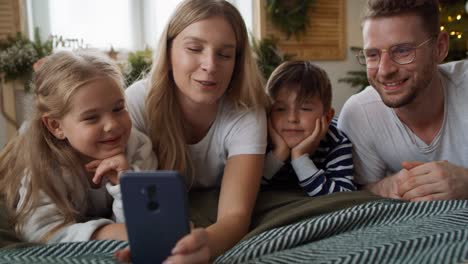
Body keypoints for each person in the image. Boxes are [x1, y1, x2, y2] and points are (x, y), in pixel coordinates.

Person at [121, 0, 269, 262]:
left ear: (237, 61)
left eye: (224, 54)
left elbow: (234, 216)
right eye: (194, 48)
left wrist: (206, 245)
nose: (210, 65)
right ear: (168, 51)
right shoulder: (136, 103)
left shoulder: (247, 112)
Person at [0, 50, 157, 243]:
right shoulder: (45, 163)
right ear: (56, 126)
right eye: (92, 118)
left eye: (118, 108)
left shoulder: (139, 147)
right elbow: (42, 231)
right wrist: (107, 232)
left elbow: (145, 223)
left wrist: (125, 186)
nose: (113, 125)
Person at [338, 0, 468, 201]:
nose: (384, 70)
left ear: (440, 47)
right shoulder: (359, 114)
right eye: (372, 55)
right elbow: (354, 192)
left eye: (402, 50)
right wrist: (386, 186)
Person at [262, 61, 355, 196]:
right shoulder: (260, 137)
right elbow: (245, 188)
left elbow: (343, 195)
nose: (292, 118)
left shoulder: (336, 142)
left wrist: (300, 158)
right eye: (280, 109)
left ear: (327, 117)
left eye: (305, 109)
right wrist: (278, 154)